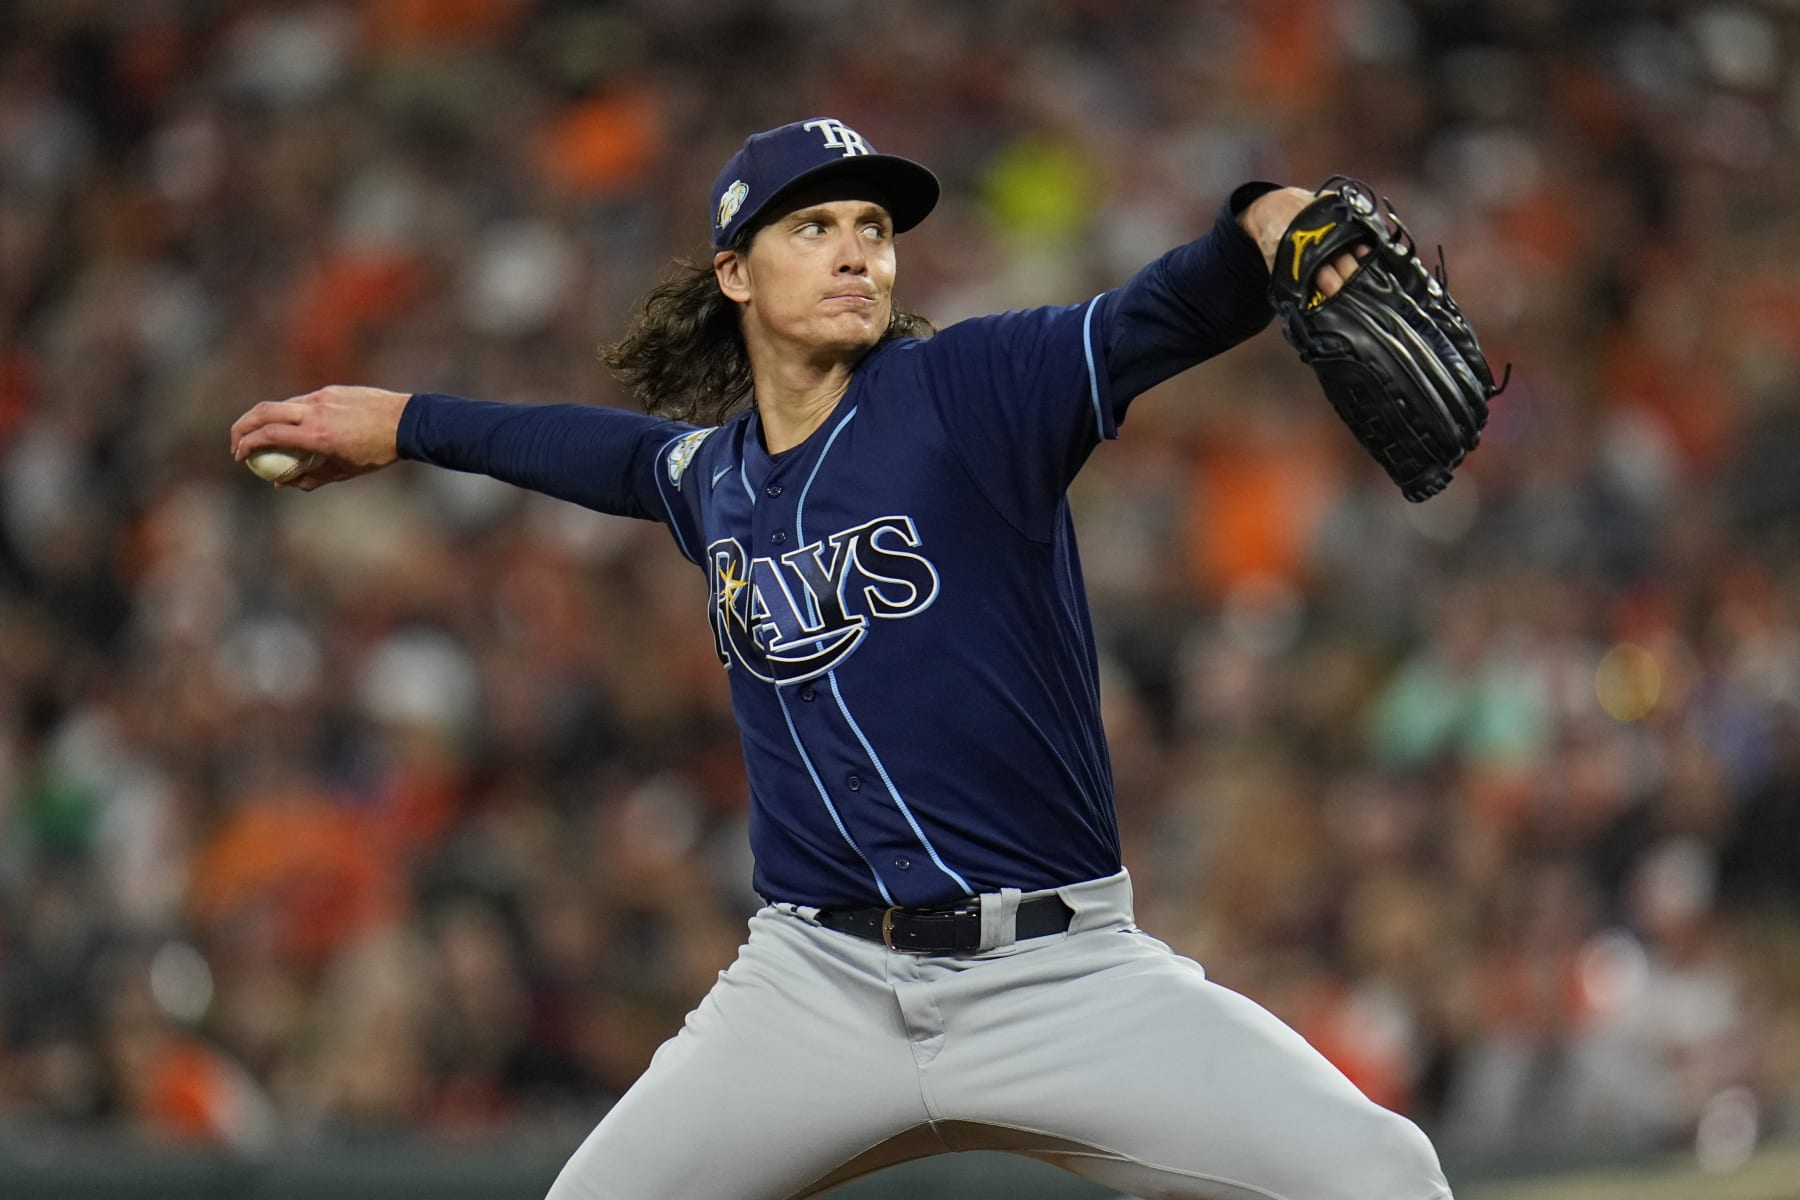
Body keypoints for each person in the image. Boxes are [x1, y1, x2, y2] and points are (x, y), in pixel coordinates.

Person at [230, 117, 1449, 1200]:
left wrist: (1257, 218)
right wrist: (402, 424)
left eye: (873, 226)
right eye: (813, 226)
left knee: (1379, 1173)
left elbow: (1166, 311)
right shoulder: (713, 477)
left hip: (1057, 976)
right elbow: (591, 452)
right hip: (816, 985)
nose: (858, 249)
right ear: (733, 273)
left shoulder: (969, 392)